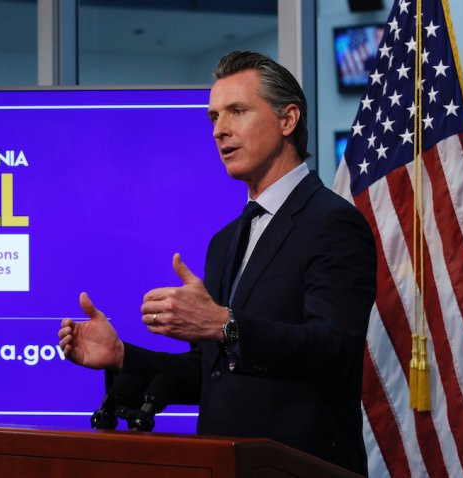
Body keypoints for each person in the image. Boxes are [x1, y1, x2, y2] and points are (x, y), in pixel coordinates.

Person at [57, 51, 377, 475]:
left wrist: (223, 324)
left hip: (302, 467)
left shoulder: (333, 223)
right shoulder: (225, 242)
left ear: (288, 120)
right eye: (213, 117)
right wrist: (122, 357)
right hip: (224, 465)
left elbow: (332, 349)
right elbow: (212, 373)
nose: (220, 131)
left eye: (237, 112)